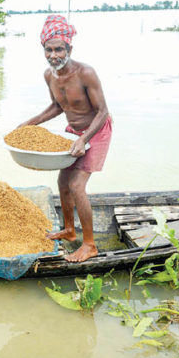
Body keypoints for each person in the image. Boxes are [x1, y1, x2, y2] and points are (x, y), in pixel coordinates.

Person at [19, 14, 112, 263]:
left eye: (59, 49)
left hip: (97, 130)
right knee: (62, 182)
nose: (54, 55)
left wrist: (84, 140)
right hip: (73, 132)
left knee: (77, 186)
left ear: (69, 48)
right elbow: (57, 107)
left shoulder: (86, 73)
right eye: (48, 50)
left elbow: (102, 112)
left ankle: (90, 245)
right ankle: (70, 231)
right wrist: (30, 123)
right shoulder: (50, 76)